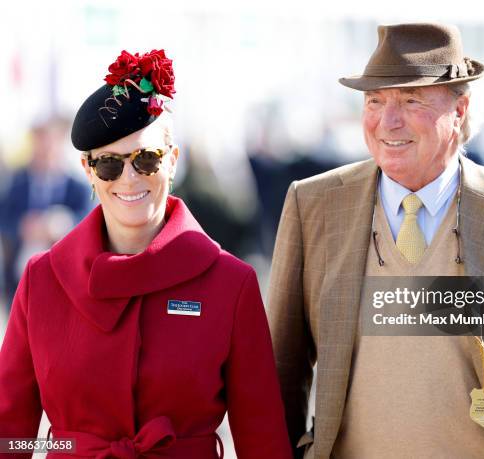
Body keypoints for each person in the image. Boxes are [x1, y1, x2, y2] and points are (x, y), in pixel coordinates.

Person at [267, 24, 484, 458]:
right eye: (375, 101)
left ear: (460, 110)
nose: (388, 121)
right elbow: (279, 369)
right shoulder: (312, 204)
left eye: (411, 100)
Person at [0, 49, 292, 459]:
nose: (130, 178)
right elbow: (9, 432)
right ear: (88, 171)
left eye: (146, 158)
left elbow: (262, 438)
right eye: (109, 165)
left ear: (172, 160)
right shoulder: (42, 280)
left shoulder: (231, 284)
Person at [0, 116, 90, 305]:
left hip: (63, 276)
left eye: (51, 144)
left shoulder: (78, 186)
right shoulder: (16, 182)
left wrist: (62, 224)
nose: (46, 150)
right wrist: (22, 226)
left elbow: (88, 220)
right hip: (19, 277)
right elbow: (4, 219)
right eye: (41, 143)